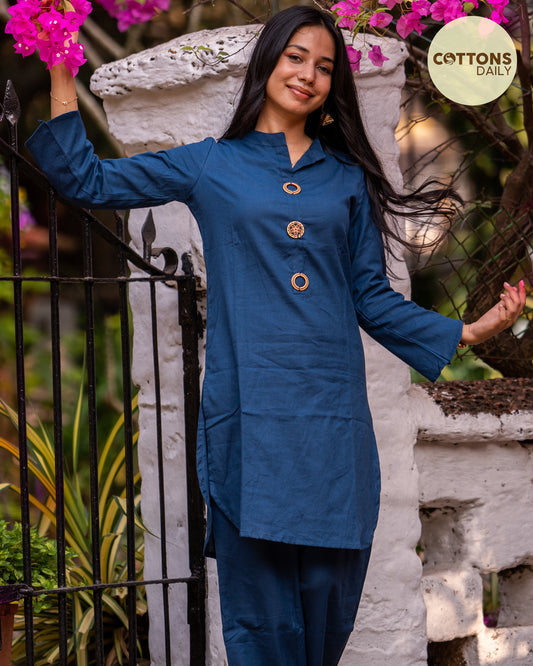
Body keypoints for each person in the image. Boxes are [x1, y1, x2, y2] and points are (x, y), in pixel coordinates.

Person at [26, 6, 526, 665]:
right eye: (295, 57)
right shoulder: (210, 164)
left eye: (323, 66)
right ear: (266, 63)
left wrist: (468, 329)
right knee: (259, 620)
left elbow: (370, 297)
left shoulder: (344, 177)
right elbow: (85, 178)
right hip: (250, 418)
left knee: (327, 603)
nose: (308, 74)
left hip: (331, 423)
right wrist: (62, 64)